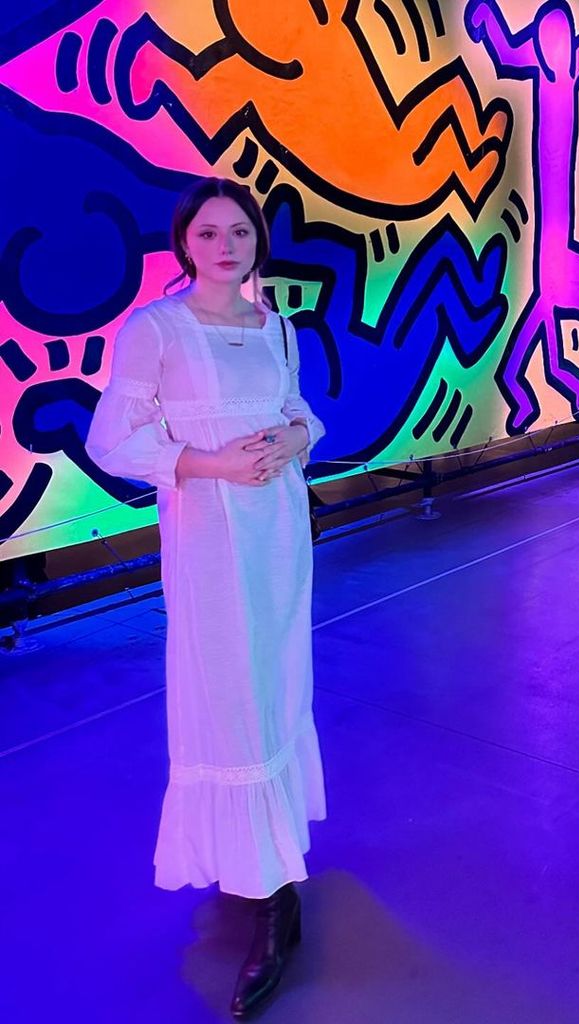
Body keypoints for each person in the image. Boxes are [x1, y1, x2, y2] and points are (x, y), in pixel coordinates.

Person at [85, 177, 326, 1019]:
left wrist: (293, 439)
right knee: (225, 694)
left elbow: (298, 412)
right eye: (210, 232)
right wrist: (214, 464)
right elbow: (112, 436)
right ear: (186, 243)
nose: (227, 245)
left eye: (241, 231)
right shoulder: (156, 330)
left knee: (276, 683)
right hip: (210, 543)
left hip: (280, 537)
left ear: (258, 241)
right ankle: (260, 889)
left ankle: (275, 869)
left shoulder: (278, 328)